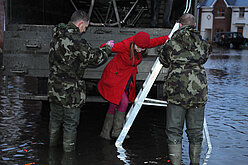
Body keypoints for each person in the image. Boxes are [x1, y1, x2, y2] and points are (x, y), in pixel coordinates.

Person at [48, 10, 112, 152]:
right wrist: (108, 48)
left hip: (54, 88)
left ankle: (51, 151)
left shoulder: (56, 35)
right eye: (85, 27)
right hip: (71, 92)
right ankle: (68, 156)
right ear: (80, 23)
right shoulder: (76, 41)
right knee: (70, 124)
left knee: (54, 120)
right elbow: (95, 58)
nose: (84, 30)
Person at [159, 13, 212, 165]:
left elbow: (163, 60)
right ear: (195, 25)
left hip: (176, 90)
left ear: (180, 25)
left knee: (174, 131)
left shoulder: (172, 41)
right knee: (195, 132)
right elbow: (205, 56)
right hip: (198, 90)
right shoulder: (202, 42)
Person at [98, 31, 169, 140]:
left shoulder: (143, 43)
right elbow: (104, 48)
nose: (140, 50)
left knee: (114, 103)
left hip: (125, 78)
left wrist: (170, 36)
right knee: (124, 102)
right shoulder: (125, 45)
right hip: (114, 77)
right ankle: (116, 132)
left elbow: (156, 41)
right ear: (134, 43)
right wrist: (108, 45)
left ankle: (106, 132)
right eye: (138, 47)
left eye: (143, 49)